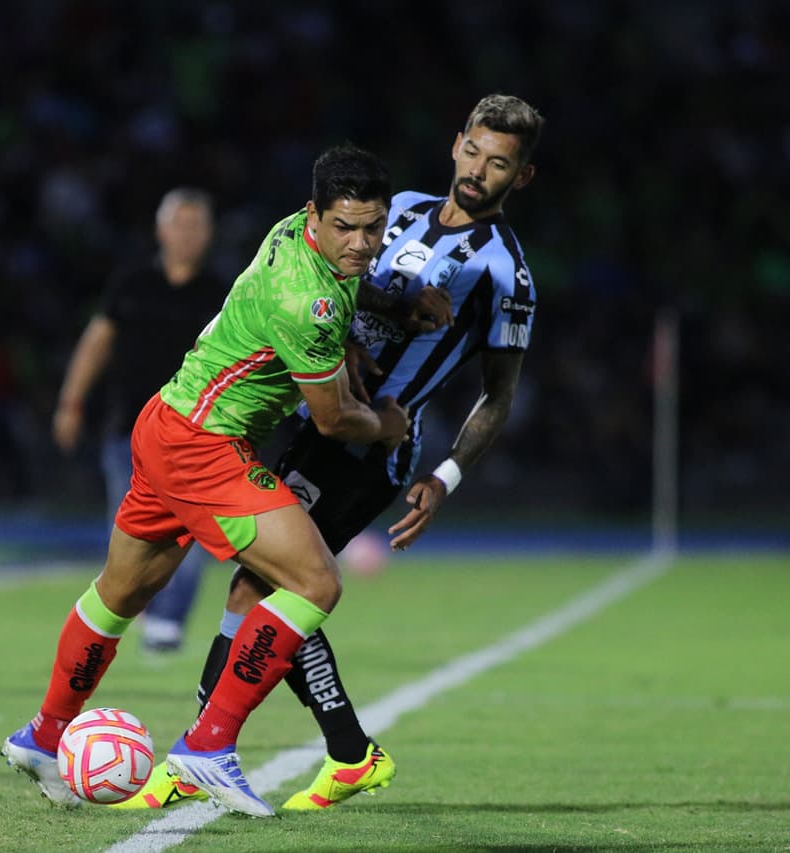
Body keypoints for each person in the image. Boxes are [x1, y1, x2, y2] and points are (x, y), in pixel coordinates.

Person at [122, 93, 544, 812]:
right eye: (474, 152)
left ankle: (206, 754)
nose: (478, 171)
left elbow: (498, 396)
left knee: (267, 583)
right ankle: (338, 752)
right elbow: (342, 286)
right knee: (265, 585)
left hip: (370, 449)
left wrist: (445, 476)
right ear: (456, 145)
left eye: (499, 164)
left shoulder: (507, 275)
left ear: (520, 177)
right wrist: (369, 320)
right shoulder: (396, 210)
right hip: (316, 420)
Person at [2, 145, 417, 818]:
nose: (361, 244)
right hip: (205, 446)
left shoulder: (296, 232)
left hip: (168, 421)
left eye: (373, 228)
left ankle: (44, 735)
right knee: (315, 582)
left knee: (120, 593)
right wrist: (388, 425)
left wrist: (392, 306)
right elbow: (335, 418)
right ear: (315, 215)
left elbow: (349, 287)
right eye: (345, 227)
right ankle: (208, 743)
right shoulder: (305, 300)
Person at [52, 188, 226, 653]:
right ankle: (134, 610)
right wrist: (71, 402)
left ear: (209, 233)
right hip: (128, 429)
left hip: (196, 434)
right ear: (160, 230)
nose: (188, 234)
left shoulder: (221, 291)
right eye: (180, 224)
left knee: (192, 527)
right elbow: (97, 342)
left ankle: (169, 619)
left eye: (197, 225)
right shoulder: (132, 283)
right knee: (127, 530)